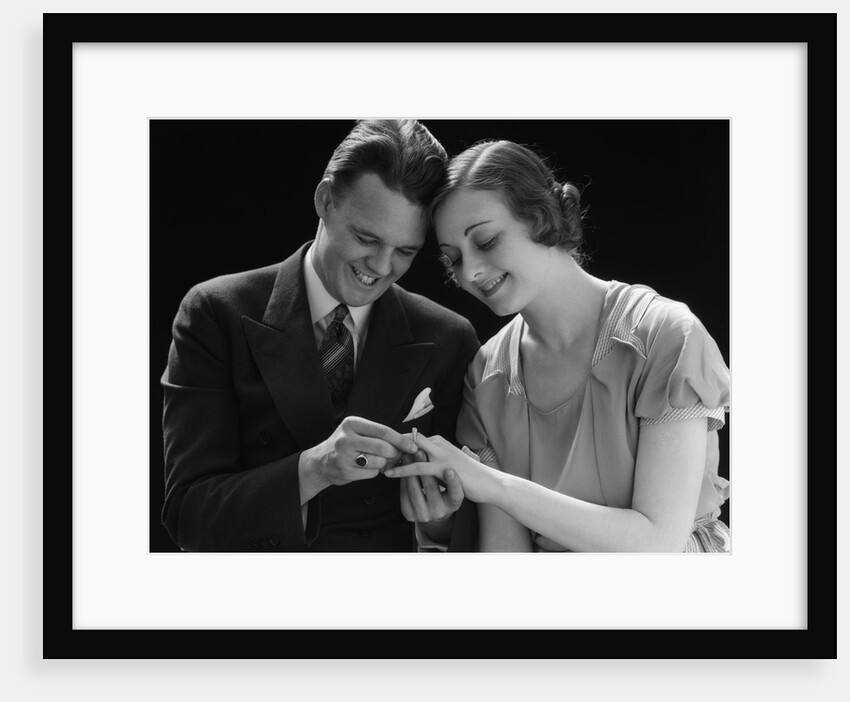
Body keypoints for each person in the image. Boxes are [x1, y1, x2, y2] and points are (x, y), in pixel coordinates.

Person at [384, 139, 731, 552]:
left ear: (540, 218)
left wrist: (495, 485)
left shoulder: (666, 335)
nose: (471, 272)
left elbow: (658, 546)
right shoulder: (487, 374)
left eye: (487, 240)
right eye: (453, 258)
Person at [160, 119, 480, 552]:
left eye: (405, 251)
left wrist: (438, 523)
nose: (382, 267)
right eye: (366, 238)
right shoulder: (215, 312)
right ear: (325, 200)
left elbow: (460, 531)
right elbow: (188, 516)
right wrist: (316, 467)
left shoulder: (447, 338)